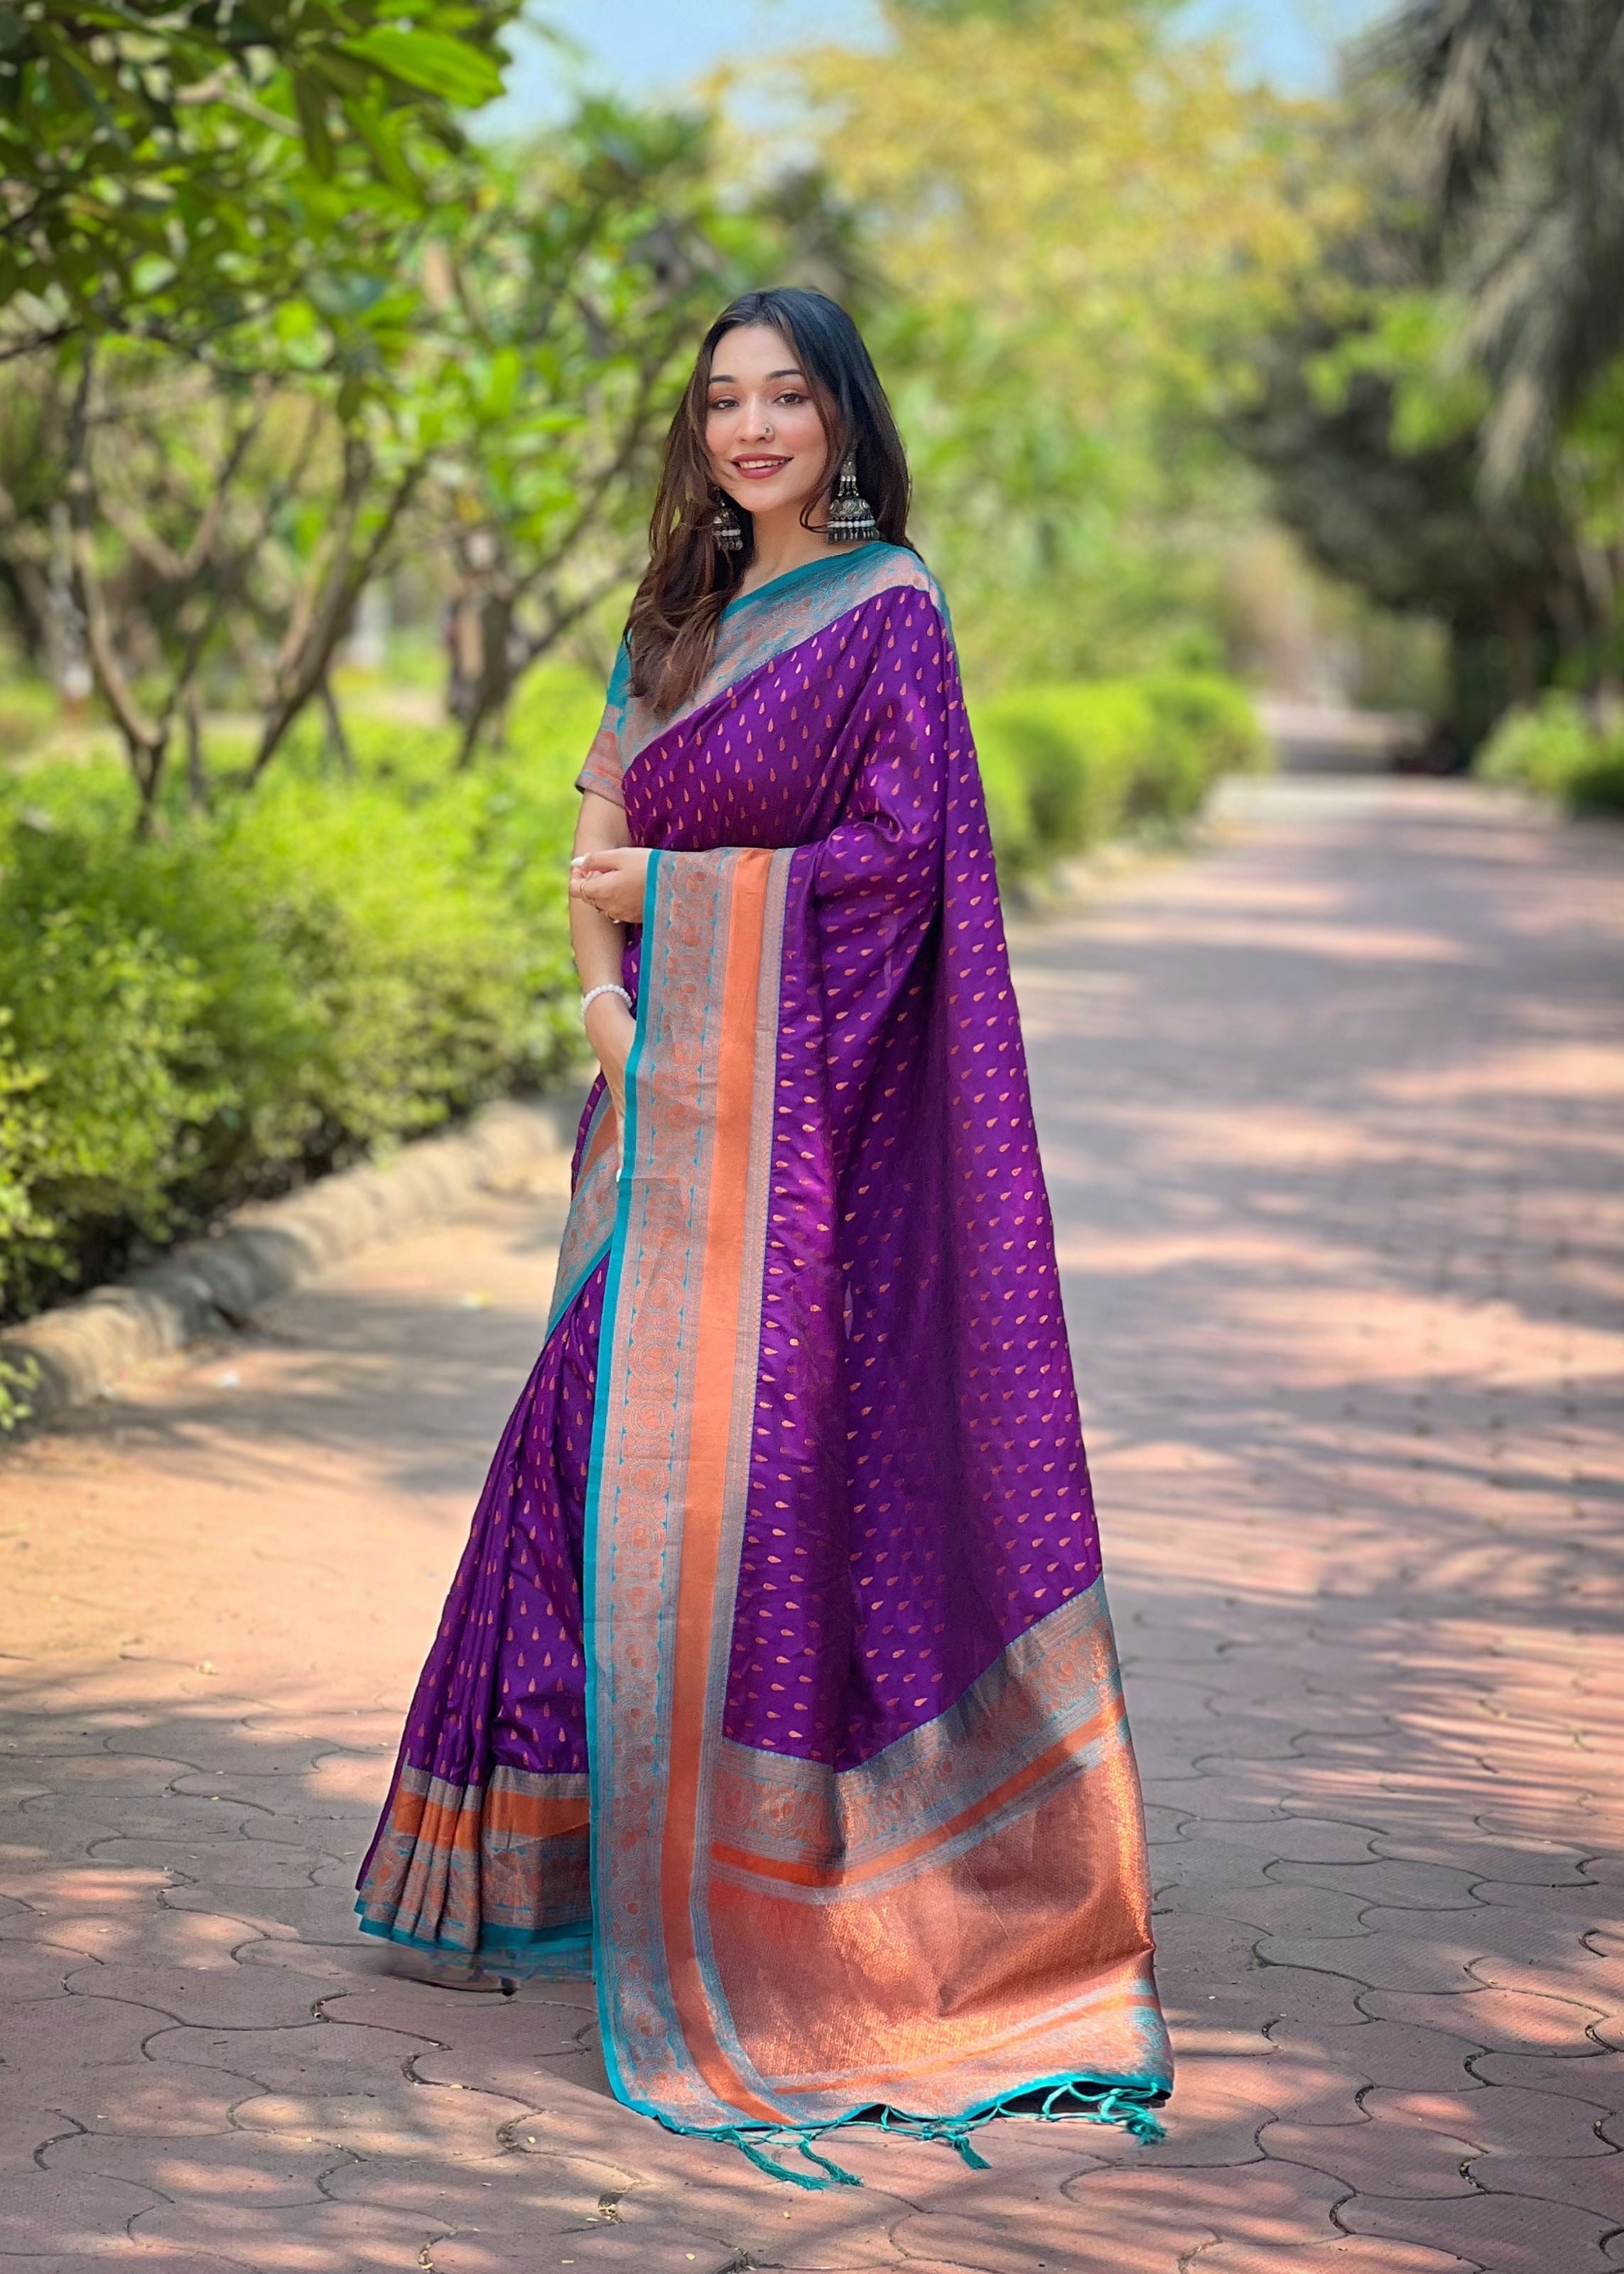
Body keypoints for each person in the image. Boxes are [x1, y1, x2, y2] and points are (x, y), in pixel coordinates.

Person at [357, 287, 1171, 2186]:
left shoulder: (893, 614)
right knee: (575, 1448)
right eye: (721, 398)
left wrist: (673, 910)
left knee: (755, 1484)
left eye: (783, 394)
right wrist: (610, 1007)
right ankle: (572, 1856)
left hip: (808, 1141)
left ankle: (813, 1884)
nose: (748, 426)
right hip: (663, 1107)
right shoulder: (679, 620)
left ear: (841, 415)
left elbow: (901, 868)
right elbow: (592, 824)